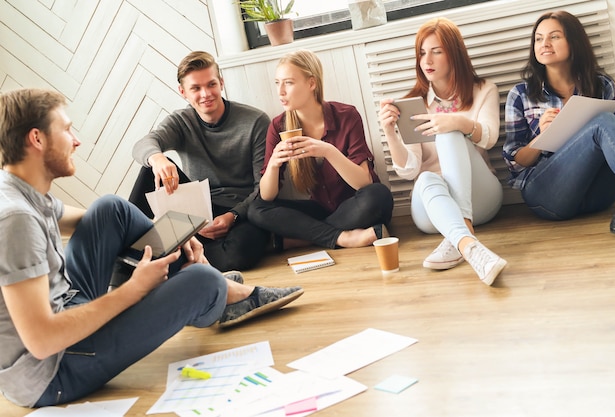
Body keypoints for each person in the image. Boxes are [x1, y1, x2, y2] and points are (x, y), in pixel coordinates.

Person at [0, 88, 303, 408]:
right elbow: (42, 340)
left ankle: (214, 290)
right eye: (66, 130)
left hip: (68, 307)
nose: (76, 140)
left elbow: (90, 219)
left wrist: (171, 232)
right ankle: (215, 292)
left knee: (110, 208)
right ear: (37, 139)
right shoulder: (15, 219)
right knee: (202, 280)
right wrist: (135, 289)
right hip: (55, 371)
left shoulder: (19, 189)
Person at [378, 17, 506, 286]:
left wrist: (457, 122)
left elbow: (490, 138)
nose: (428, 60)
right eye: (422, 53)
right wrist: (390, 132)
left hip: (480, 198)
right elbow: (409, 169)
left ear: (454, 54)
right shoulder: (413, 103)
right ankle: (468, 245)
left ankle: (461, 234)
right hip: (432, 210)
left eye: (437, 51)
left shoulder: (484, 90)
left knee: (448, 130)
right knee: (423, 178)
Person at [131, 51, 270, 271]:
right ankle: (129, 258)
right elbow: (143, 144)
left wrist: (233, 216)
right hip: (196, 210)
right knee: (150, 169)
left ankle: (175, 259)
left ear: (221, 83)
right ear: (183, 92)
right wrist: (157, 158)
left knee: (238, 256)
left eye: (211, 84)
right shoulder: (181, 121)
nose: (205, 94)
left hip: (241, 211)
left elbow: (263, 186)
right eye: (196, 88)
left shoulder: (256, 121)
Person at [247, 50, 394, 250]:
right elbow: (267, 196)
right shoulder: (278, 126)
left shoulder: (346, 115)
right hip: (321, 210)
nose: (280, 91)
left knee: (378, 195)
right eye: (277, 83)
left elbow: (364, 182)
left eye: (288, 83)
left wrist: (328, 151)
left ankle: (303, 239)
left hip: (355, 205)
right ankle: (344, 238)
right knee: (256, 209)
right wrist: (273, 164)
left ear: (311, 83)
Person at [503, 11, 615, 234]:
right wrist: (542, 137)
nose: (545, 44)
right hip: (548, 196)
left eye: (554, 37)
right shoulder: (521, 94)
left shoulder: (602, 85)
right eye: (539, 39)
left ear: (574, 41)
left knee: (607, 124)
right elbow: (515, 163)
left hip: (596, 194)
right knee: (602, 122)